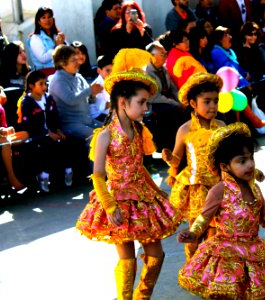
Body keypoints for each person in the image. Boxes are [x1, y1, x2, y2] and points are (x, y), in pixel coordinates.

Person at [75, 48, 181, 299]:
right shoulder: (105, 136)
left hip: (143, 199)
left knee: (156, 255)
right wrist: (110, 206)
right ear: (123, 102)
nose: (146, 107)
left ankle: (141, 296)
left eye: (146, 102)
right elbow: (98, 176)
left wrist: (159, 188)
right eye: (141, 102)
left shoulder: (139, 130)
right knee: (128, 260)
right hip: (118, 201)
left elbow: (139, 166)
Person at [177, 122, 265, 299]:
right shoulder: (219, 190)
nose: (250, 165)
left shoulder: (255, 189)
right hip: (226, 256)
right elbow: (203, 218)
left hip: (254, 254)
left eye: (251, 158)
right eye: (242, 161)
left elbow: (264, 219)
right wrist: (194, 234)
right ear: (225, 166)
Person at [161, 72, 225, 261]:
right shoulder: (185, 129)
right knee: (195, 233)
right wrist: (169, 159)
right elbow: (177, 159)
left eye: (215, 101)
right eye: (207, 101)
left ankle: (210, 271)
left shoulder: (221, 125)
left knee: (214, 232)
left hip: (218, 185)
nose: (212, 106)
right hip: (196, 187)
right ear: (193, 104)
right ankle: (193, 266)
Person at [20, 70, 73, 192]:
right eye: (41, 84)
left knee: (67, 139)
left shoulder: (49, 98)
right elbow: (30, 125)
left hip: (52, 132)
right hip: (36, 135)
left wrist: (58, 130)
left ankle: (68, 170)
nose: (45, 87)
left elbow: (55, 117)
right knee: (46, 144)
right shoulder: (27, 102)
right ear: (31, 86)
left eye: (45, 84)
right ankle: (43, 176)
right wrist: (47, 133)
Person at [48, 45, 103, 141]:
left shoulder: (78, 77)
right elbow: (71, 100)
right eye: (73, 60)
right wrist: (90, 90)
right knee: (97, 139)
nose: (78, 63)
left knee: (111, 131)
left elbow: (88, 98)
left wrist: (93, 95)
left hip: (86, 120)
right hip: (70, 124)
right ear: (62, 63)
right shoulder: (58, 80)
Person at [145, 41, 185, 151]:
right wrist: (175, 103)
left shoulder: (163, 69)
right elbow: (153, 96)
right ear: (151, 56)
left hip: (166, 101)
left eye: (165, 53)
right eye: (163, 54)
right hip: (153, 103)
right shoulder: (146, 72)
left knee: (184, 108)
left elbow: (172, 88)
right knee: (172, 111)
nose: (166, 56)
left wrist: (180, 100)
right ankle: (170, 147)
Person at [0, 81, 27, 191]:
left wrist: (7, 129)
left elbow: (3, 126)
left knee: (25, 134)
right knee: (6, 142)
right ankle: (11, 176)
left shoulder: (0, 109)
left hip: (0, 137)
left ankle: (8, 147)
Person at [27, 6, 66, 76]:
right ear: (38, 21)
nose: (47, 20)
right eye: (43, 18)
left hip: (61, 70)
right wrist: (57, 47)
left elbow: (68, 52)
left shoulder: (56, 35)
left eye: (49, 17)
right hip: (45, 74)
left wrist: (64, 43)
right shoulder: (35, 38)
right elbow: (42, 59)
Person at [89, 55, 112, 122]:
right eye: (107, 70)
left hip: (107, 113)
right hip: (98, 116)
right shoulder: (97, 85)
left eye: (113, 71)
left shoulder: (108, 81)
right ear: (99, 70)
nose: (111, 74)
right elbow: (101, 107)